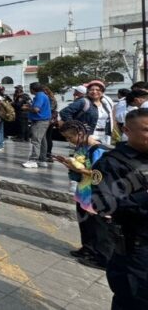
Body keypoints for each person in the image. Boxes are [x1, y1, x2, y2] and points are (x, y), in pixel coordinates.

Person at [92, 108, 148, 309]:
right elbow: (103, 204)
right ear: (127, 130)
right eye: (146, 130)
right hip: (137, 248)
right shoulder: (111, 163)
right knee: (135, 301)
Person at [52, 120, 112, 270]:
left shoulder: (97, 149)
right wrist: (66, 163)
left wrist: (79, 170)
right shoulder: (82, 147)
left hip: (95, 194)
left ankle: (102, 258)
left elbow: (99, 175)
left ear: (80, 133)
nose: (69, 141)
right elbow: (80, 165)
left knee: (98, 227)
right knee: (85, 224)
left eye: (70, 137)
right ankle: (87, 249)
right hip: (83, 192)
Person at [22, 82, 51, 168]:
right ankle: (42, 160)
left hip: (39, 121)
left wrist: (27, 108)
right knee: (42, 140)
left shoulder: (39, 96)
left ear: (33, 89)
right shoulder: (43, 95)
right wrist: (31, 105)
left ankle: (33, 160)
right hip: (44, 121)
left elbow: (36, 109)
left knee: (36, 140)